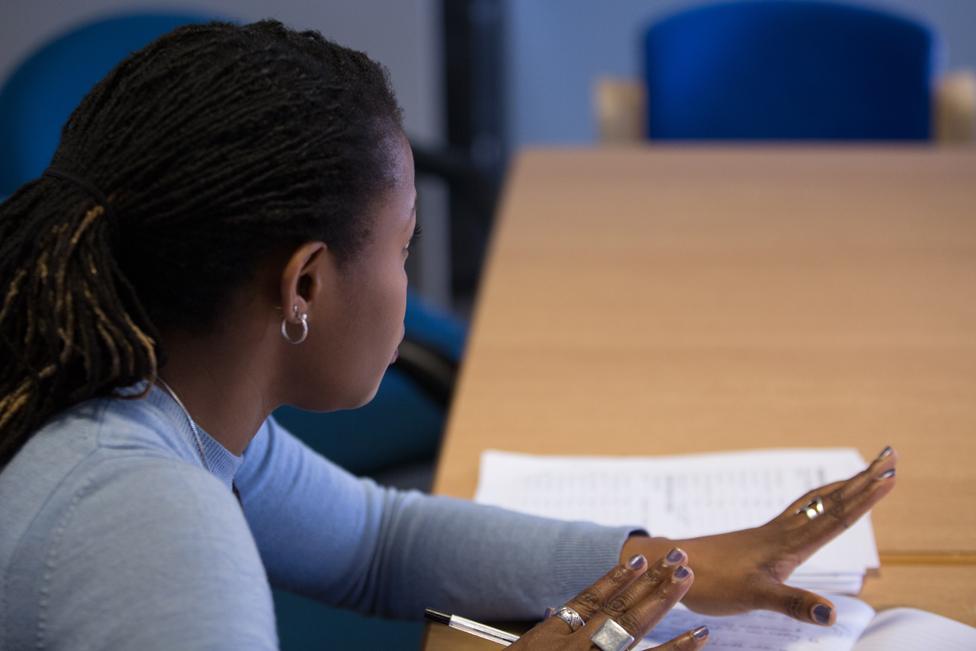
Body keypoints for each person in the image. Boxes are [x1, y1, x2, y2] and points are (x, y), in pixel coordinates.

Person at [0, 20, 897, 651]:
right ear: (305, 281)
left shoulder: (142, 392)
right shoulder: (153, 521)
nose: (409, 277)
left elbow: (374, 540)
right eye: (404, 246)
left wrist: (675, 564)